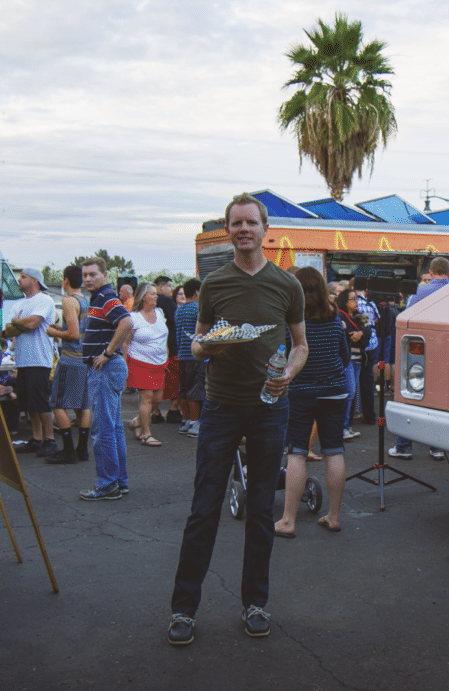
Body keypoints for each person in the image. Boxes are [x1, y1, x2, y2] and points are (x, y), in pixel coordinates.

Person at [167, 193, 307, 647]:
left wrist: (287, 373)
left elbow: (301, 345)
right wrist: (211, 347)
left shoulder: (287, 285)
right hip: (221, 406)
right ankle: (184, 610)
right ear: (228, 231)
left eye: (250, 222)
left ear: (265, 229)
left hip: (270, 407)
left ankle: (255, 603)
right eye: (235, 223)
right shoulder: (214, 284)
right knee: (204, 507)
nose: (243, 229)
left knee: (262, 509)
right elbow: (196, 345)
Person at [273, 266, 349, 538]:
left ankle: (288, 520)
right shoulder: (335, 319)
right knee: (334, 451)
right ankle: (334, 516)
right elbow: (345, 356)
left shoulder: (292, 322)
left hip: (301, 394)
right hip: (336, 392)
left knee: (296, 453)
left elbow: (283, 356)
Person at [79, 257, 133, 501]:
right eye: (85, 275)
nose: (88, 279)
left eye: (93, 274)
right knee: (113, 428)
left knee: (103, 431)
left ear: (104, 275)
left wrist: (107, 353)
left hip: (105, 369)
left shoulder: (105, 296)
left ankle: (108, 485)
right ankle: (118, 482)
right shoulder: (99, 298)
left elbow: (126, 321)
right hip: (109, 368)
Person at [388, 256, 449, 461]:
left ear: (431, 273)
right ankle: (438, 447)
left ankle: (404, 446)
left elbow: (406, 320)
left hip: (420, 351)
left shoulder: (420, 292)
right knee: (440, 399)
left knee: (412, 397)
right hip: (448, 352)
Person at [3, 268, 57, 457]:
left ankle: (50, 439)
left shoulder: (44, 300)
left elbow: (33, 324)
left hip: (39, 360)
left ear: (35, 280)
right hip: (23, 361)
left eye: (23, 276)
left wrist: (18, 322)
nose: (19, 279)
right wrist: (20, 323)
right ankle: (36, 438)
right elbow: (8, 331)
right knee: (29, 404)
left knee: (41, 403)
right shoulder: (19, 304)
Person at [44, 265, 92, 463]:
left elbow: (72, 334)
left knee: (57, 403)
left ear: (65, 281)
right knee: (83, 405)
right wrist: (61, 327)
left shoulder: (68, 301)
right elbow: (78, 329)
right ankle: (82, 449)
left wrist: (54, 332)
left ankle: (68, 450)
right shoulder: (85, 300)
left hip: (70, 358)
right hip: (84, 358)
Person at [124, 282, 168, 447]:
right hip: (139, 362)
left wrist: (166, 357)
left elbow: (163, 337)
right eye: (152, 293)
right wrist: (125, 364)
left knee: (159, 398)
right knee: (147, 398)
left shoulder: (160, 312)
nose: (156, 296)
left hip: (160, 362)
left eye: (156, 293)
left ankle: (137, 422)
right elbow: (125, 343)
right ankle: (147, 433)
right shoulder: (133, 317)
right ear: (143, 297)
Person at [336, 288, 368, 441]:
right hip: (348, 359)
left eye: (356, 298)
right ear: (344, 301)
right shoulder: (340, 316)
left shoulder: (360, 315)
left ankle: (346, 426)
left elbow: (369, 332)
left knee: (352, 393)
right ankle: (343, 427)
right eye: (352, 299)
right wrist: (361, 334)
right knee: (349, 392)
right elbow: (348, 337)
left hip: (358, 358)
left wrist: (361, 334)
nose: (356, 302)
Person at [174, 278, 205, 438]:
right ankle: (195, 423)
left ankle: (185, 421)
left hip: (182, 356)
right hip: (194, 356)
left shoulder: (179, 311)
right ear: (197, 292)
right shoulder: (197, 310)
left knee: (184, 391)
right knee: (195, 391)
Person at [153, 275, 181, 424]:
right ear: (161, 286)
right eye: (170, 286)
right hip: (170, 346)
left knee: (156, 381)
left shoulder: (149, 301)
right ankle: (173, 409)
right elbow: (176, 320)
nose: (171, 289)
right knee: (173, 379)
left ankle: (154, 411)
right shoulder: (166, 301)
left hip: (154, 346)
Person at [356, 284, 381, 425]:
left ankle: (357, 413)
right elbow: (377, 319)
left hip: (361, 344)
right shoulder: (370, 303)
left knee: (357, 381)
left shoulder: (356, 304)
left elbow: (362, 323)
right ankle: (370, 414)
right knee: (368, 380)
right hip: (373, 343)